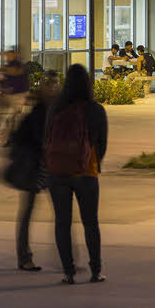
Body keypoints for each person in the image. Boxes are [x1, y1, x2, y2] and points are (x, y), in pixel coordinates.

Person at [43, 64, 108, 284]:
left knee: (62, 222)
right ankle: (95, 271)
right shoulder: (96, 109)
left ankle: (68, 273)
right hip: (86, 171)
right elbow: (102, 144)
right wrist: (94, 162)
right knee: (91, 223)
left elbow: (46, 139)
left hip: (58, 171)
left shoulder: (56, 107)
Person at [5, 69, 59, 271]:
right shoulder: (37, 113)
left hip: (50, 168)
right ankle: (24, 256)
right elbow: (25, 138)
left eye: (55, 83)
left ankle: (65, 256)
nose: (53, 87)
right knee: (30, 212)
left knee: (60, 214)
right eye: (49, 83)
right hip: (34, 169)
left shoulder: (56, 110)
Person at [0, 47, 29, 144]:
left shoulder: (19, 66)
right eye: (7, 55)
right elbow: (2, 78)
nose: (8, 57)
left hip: (19, 95)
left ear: (14, 55)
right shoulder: (7, 66)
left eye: (9, 55)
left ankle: (12, 138)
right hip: (9, 95)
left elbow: (17, 77)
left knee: (12, 118)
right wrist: (1, 89)